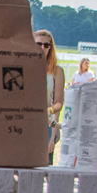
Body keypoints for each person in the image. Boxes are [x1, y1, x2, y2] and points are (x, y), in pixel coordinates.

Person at [35, 30, 65, 160]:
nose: (42, 47)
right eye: (38, 44)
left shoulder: (57, 71)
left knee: (41, 163)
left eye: (46, 45)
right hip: (23, 122)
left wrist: (49, 110)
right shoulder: (23, 66)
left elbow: (58, 103)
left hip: (43, 123)